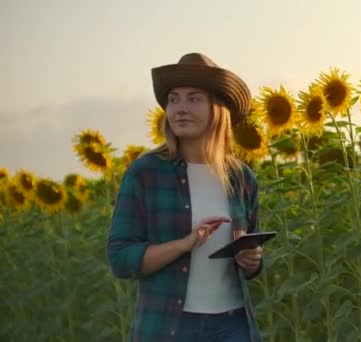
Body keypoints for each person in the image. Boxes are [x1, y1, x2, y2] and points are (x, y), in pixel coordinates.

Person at [107, 52, 264, 342]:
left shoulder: (242, 177)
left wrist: (252, 259)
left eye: (194, 99)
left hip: (234, 325)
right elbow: (120, 258)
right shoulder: (147, 172)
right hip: (170, 327)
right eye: (174, 99)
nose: (180, 108)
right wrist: (184, 244)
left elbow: (251, 249)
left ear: (218, 108)